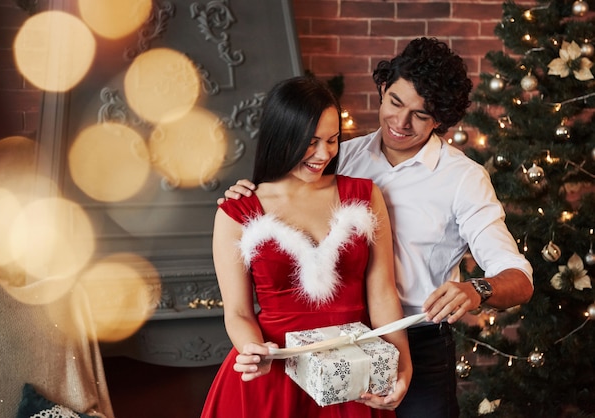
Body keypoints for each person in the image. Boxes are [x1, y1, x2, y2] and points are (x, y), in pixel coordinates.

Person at [219, 38, 534, 418]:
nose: (401, 123)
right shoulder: (341, 156)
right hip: (339, 344)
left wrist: (476, 289)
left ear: (441, 119)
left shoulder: (463, 179)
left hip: (417, 337)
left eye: (421, 114)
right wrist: (246, 192)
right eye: (396, 103)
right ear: (383, 90)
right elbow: (287, 183)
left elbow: (518, 277)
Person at [200, 76, 412, 418]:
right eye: (310, 142)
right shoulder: (236, 213)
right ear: (281, 136)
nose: (324, 154)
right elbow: (238, 312)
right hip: (275, 375)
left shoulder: (364, 195)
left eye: (332, 140)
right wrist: (253, 350)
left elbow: (383, 293)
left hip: (353, 372)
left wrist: (402, 365)